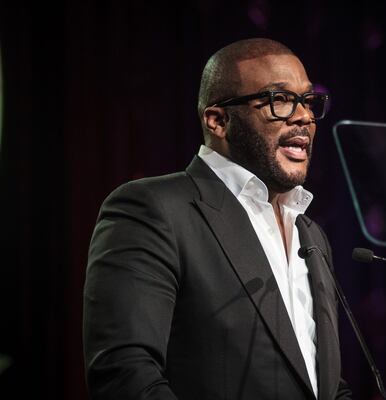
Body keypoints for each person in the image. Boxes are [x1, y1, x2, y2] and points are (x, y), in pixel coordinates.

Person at [83, 38, 352, 400]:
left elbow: (327, 384)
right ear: (218, 120)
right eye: (280, 100)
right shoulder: (153, 209)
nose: (303, 116)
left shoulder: (311, 235)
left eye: (308, 101)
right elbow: (125, 373)